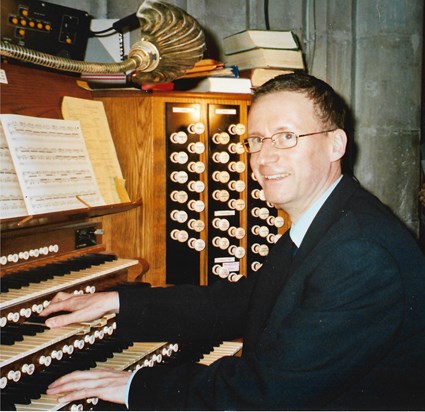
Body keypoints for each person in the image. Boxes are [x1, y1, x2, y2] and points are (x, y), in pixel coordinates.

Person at [41, 72, 425, 410]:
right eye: (256, 140)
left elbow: (265, 395)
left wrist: (133, 386)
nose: (264, 157)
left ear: (335, 145)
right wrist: (117, 301)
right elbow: (242, 302)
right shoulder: (327, 219)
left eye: (286, 137)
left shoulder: (357, 252)